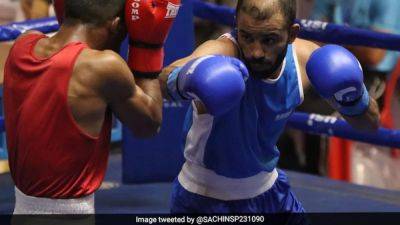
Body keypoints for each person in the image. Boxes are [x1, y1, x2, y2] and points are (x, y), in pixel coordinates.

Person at [159, 0, 380, 216]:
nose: (255, 51)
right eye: (247, 36)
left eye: (269, 40)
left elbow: (369, 124)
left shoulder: (305, 60)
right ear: (237, 24)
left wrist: (353, 97)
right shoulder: (221, 52)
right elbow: (164, 78)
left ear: (292, 34)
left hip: (270, 191)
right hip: (204, 198)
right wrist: (188, 78)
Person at [4, 0, 179, 215]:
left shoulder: (23, 44)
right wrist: (148, 47)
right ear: (116, 25)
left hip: (20, 212)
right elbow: (149, 124)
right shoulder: (102, 67)